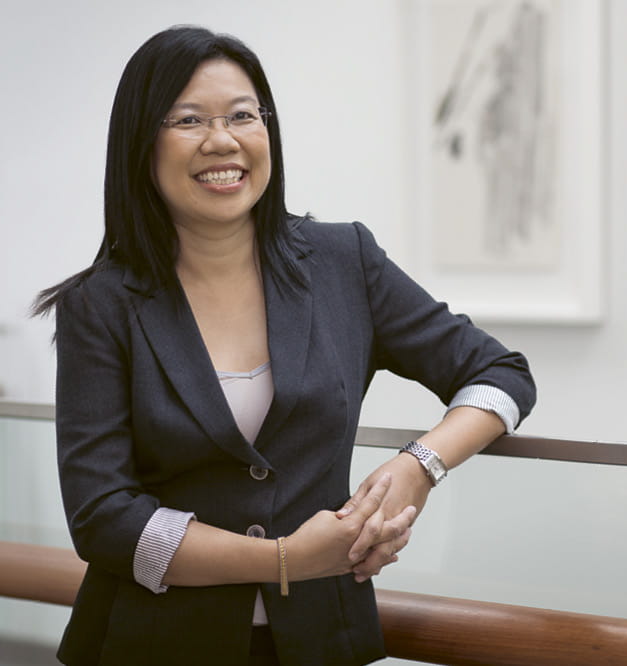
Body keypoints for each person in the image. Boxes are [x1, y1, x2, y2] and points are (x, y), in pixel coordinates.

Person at [33, 25, 535, 666]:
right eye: (189, 120)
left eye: (243, 115)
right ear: (142, 143)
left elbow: (502, 375)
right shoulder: (101, 305)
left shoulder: (342, 261)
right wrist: (285, 560)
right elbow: (103, 516)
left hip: (323, 640)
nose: (223, 140)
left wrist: (420, 466)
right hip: (153, 643)